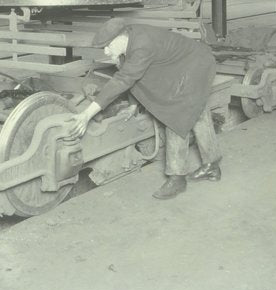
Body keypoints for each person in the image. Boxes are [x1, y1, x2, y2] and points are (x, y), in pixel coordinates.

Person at [66, 18, 221, 200]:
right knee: (197, 113)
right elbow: (136, 77)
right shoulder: (131, 37)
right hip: (186, 63)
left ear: (120, 38)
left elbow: (123, 80)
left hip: (196, 65)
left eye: (108, 46)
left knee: (175, 117)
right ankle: (213, 166)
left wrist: (86, 115)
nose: (106, 52)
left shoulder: (141, 46)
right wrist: (133, 105)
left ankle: (177, 178)